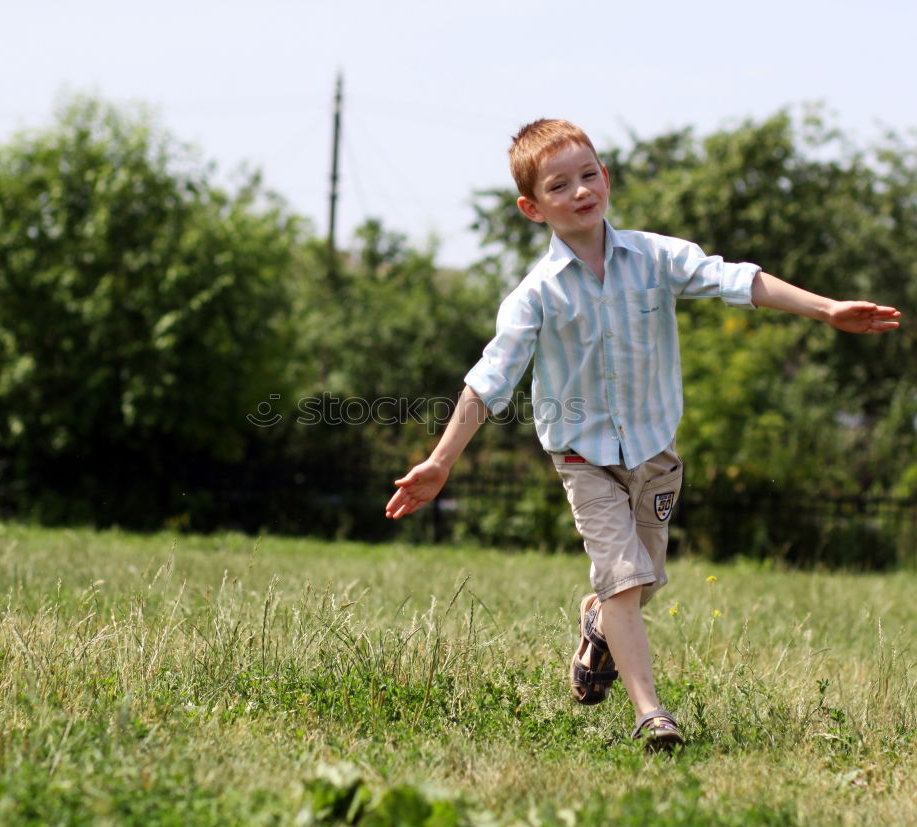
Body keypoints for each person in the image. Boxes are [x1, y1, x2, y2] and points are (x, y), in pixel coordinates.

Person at [384, 118, 901, 750]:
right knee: (624, 578)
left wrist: (825, 308)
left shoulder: (655, 257)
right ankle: (651, 713)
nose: (581, 191)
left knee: (645, 580)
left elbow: (736, 280)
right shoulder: (534, 296)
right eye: (560, 185)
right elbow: (490, 381)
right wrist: (440, 462)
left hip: (654, 450)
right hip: (583, 456)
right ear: (532, 207)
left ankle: (598, 624)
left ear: (606, 178)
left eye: (589, 174)